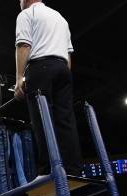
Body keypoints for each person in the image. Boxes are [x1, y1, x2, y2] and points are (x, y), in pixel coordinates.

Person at [14, 0, 82, 176]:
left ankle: (47, 169)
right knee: (65, 120)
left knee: (42, 119)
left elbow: (23, 45)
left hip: (40, 68)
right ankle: (73, 168)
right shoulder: (60, 17)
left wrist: (19, 78)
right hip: (63, 69)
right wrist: (64, 75)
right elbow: (68, 53)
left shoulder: (27, 14)